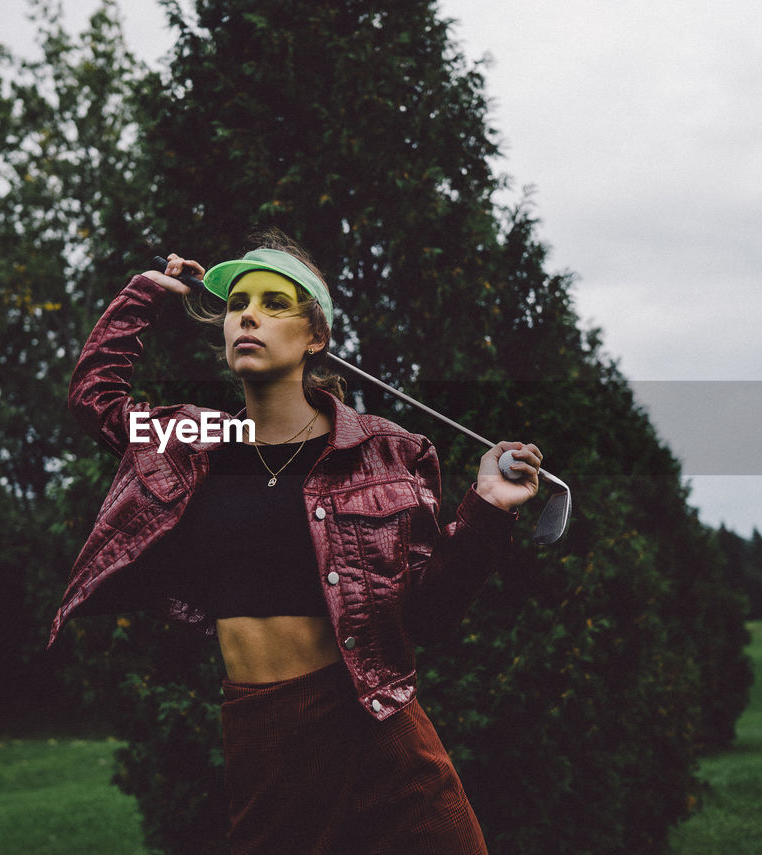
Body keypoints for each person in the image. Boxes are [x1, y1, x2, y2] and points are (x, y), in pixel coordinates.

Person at [48, 232, 544, 854]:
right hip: (263, 731)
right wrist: (146, 293)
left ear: (316, 337)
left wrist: (489, 509)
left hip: (372, 723)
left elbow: (430, 610)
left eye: (274, 303)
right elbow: (94, 399)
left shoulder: (387, 452)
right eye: (238, 303)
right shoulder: (187, 436)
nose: (248, 314)